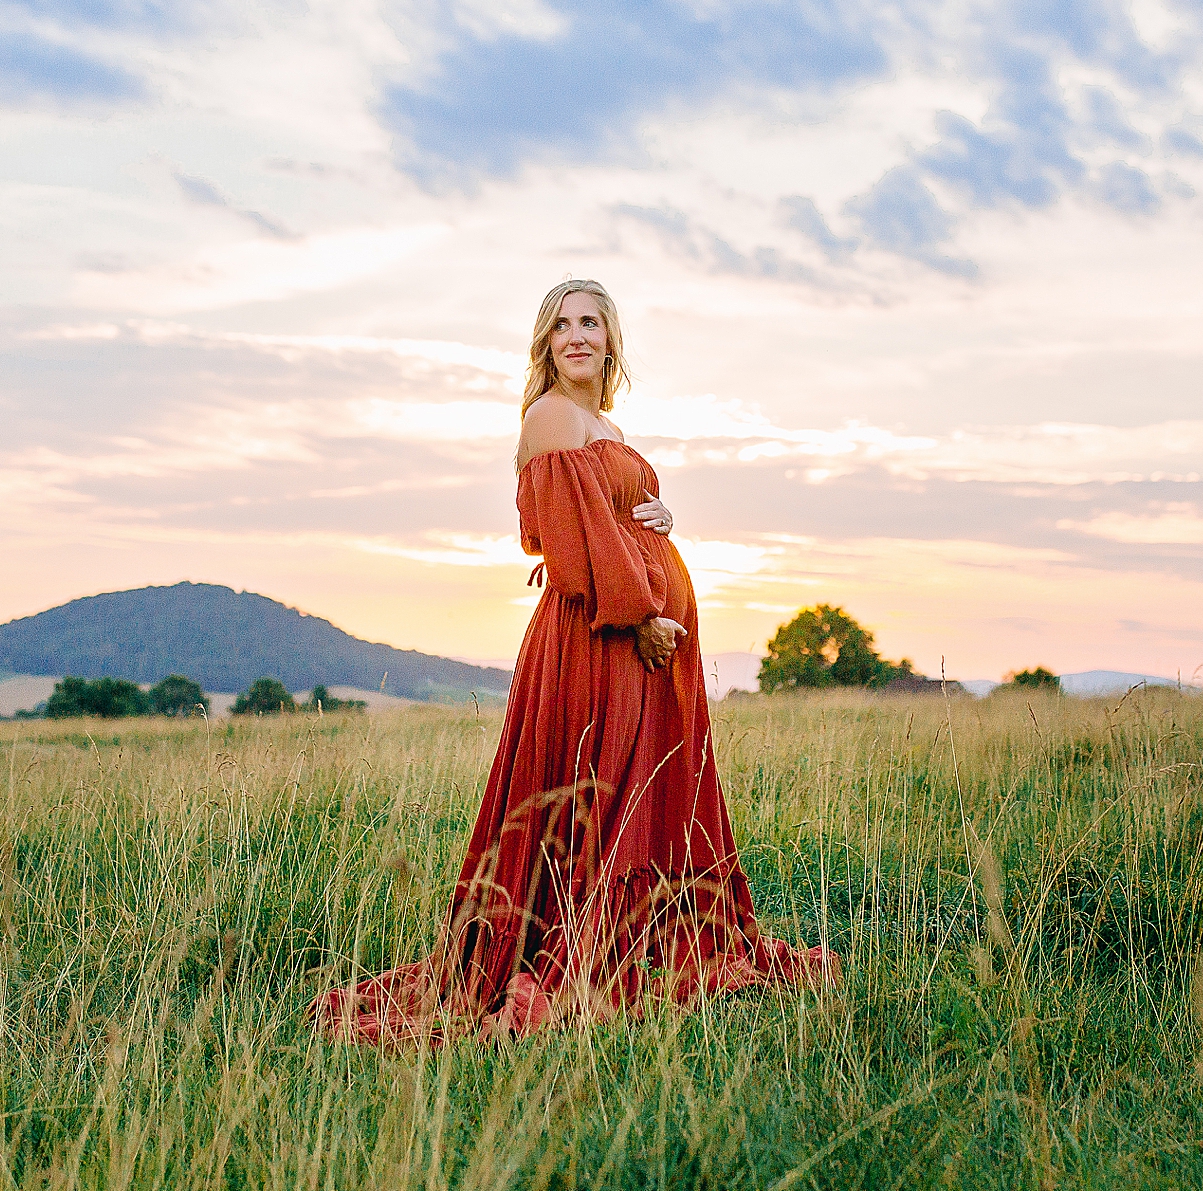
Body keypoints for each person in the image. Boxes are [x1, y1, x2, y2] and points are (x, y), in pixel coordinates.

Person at [311, 278, 836, 1042]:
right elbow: (571, 541)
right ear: (546, 344)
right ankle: (571, 949)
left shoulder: (605, 424)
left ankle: (643, 939)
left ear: (611, 338)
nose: (577, 335)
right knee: (591, 795)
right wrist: (645, 615)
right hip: (599, 637)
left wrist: (661, 518)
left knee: (636, 794)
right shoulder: (552, 415)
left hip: (642, 646)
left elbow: (615, 515)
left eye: (591, 321)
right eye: (562, 326)